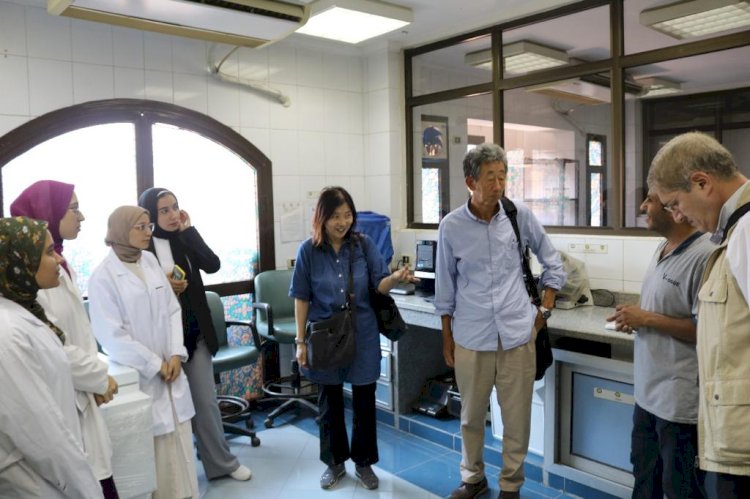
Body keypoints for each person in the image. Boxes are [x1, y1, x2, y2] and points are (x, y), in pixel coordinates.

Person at [435, 143, 565, 499]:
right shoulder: (451, 226)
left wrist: (544, 311)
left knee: (516, 419)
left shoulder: (518, 216)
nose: (498, 185)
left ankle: (511, 485)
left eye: (503, 177)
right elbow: (445, 288)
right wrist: (446, 338)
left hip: (517, 335)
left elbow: (553, 264)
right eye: (490, 178)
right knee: (471, 417)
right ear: (470, 182)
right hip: (471, 336)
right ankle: (473, 478)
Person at [290, 186, 416, 491]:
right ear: (321, 217)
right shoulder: (308, 251)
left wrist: (394, 278)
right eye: (335, 216)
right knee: (329, 402)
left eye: (347, 215)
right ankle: (334, 464)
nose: (342, 222)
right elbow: (301, 298)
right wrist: (300, 342)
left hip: (363, 334)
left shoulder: (364, 245)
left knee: (364, 401)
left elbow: (378, 286)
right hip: (324, 336)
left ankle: (364, 463)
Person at [647, 132, 750, 498]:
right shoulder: (732, 232)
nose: (677, 215)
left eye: (675, 203)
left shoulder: (747, 232)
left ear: (702, 182)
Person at [10, 180, 120, 498]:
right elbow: (54, 344)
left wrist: (94, 380)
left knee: (96, 476)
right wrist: (99, 378)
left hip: (80, 391)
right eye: (73, 209)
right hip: (65, 397)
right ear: (48, 212)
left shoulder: (60, 265)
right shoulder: (31, 280)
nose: (81, 216)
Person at [137, 187, 251, 482]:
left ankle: (221, 463)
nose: (173, 215)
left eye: (175, 207)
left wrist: (189, 231)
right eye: (164, 210)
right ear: (150, 216)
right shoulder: (143, 248)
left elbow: (213, 265)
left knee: (205, 402)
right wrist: (163, 286)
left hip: (194, 333)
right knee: (166, 408)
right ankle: (174, 475)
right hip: (160, 341)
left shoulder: (184, 238)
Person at [87, 206, 199, 499]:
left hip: (171, 371)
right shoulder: (103, 277)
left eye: (149, 226)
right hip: (142, 378)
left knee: (182, 455)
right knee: (156, 466)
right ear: (121, 230)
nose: (148, 232)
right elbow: (111, 336)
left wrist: (175, 354)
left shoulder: (149, 261)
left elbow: (172, 309)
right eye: (141, 227)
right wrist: (155, 364)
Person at [607, 190, 712, 499]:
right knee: (644, 479)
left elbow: (707, 330)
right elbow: (664, 308)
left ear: (674, 208)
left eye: (650, 200)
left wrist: (647, 318)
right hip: (647, 395)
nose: (642, 207)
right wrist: (636, 317)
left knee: (679, 488)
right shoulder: (663, 248)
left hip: (679, 404)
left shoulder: (705, 255)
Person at [0, 216, 103, 498]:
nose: (59, 259)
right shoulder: (8, 333)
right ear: (19, 262)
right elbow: (41, 433)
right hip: (33, 480)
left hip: (49, 475)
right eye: (48, 252)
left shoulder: (26, 313)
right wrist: (87, 490)